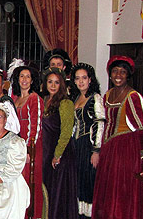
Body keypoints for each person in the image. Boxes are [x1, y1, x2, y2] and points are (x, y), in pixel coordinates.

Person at [92, 56, 143, 219]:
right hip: (108, 150)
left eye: (122, 72)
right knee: (108, 191)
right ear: (110, 74)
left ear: (128, 75)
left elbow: (141, 129)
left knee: (122, 192)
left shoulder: (132, 97)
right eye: (115, 71)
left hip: (126, 150)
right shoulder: (107, 95)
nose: (118, 75)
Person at [42, 67, 78, 219]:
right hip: (46, 150)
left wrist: (57, 155)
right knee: (48, 190)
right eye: (50, 82)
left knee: (58, 193)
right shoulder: (44, 101)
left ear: (62, 84)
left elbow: (66, 132)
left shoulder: (65, 103)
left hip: (60, 154)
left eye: (56, 82)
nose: (53, 85)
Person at [69, 63, 104, 219]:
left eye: (84, 78)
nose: (81, 81)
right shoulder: (76, 98)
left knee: (88, 182)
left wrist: (96, 150)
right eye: (77, 78)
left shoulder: (95, 98)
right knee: (77, 183)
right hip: (76, 146)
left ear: (90, 79)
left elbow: (99, 123)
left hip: (87, 145)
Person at [10, 62, 44, 218]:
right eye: (21, 76)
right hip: (16, 147)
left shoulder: (34, 98)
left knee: (29, 183)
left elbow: (36, 127)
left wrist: (29, 150)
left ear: (32, 80)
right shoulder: (15, 99)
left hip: (30, 149)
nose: (24, 79)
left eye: (28, 77)